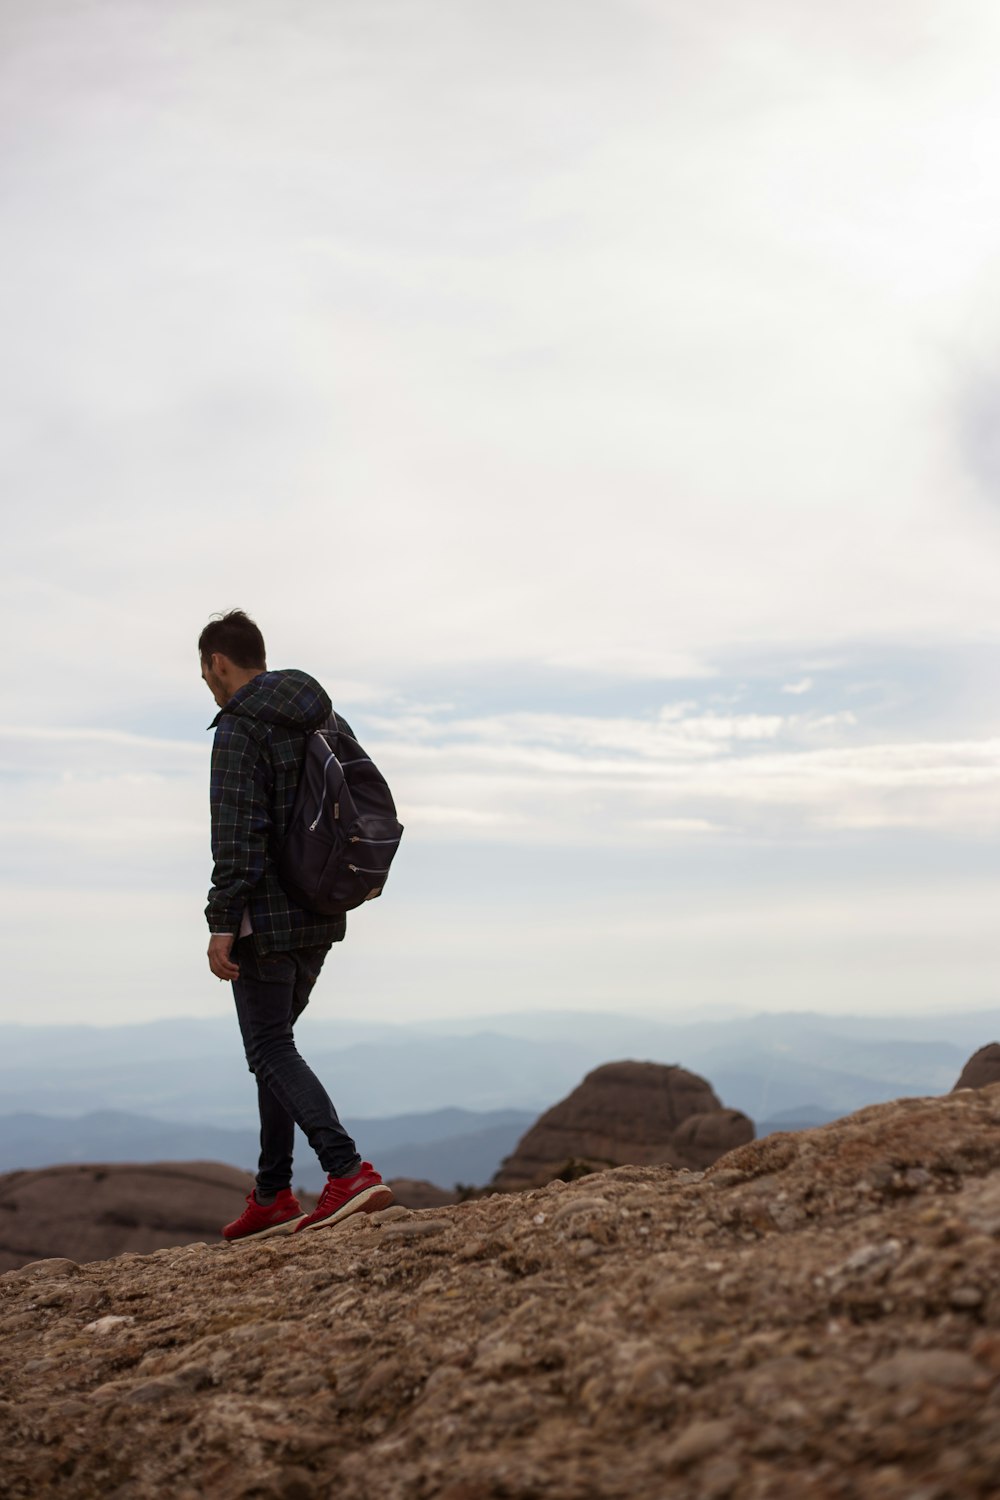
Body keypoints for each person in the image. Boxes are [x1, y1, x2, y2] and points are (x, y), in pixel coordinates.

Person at [199, 609, 392, 1241]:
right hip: (322, 909)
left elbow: (236, 834)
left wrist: (222, 921)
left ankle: (346, 1169)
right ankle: (274, 1193)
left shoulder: (239, 726)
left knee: (269, 1048)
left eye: (205, 672)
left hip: (267, 922)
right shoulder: (321, 714)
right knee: (276, 1051)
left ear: (217, 663)